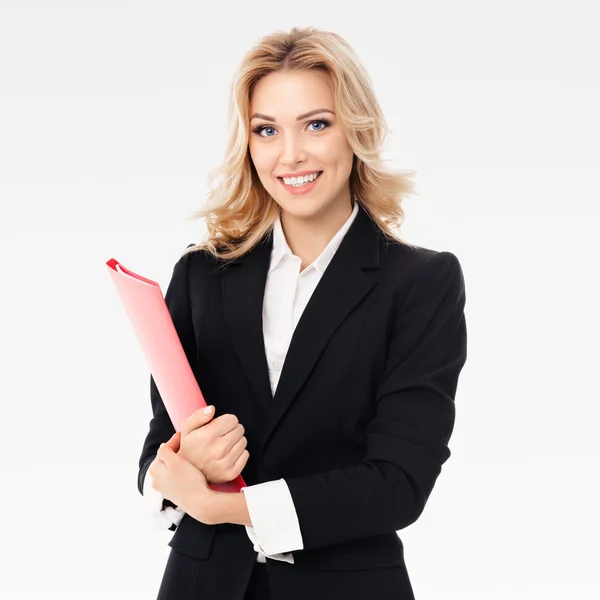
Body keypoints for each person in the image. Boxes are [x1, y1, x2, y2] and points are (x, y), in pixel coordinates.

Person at [137, 26, 468, 600]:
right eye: (267, 130)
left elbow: (399, 484)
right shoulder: (200, 275)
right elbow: (157, 449)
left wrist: (226, 507)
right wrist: (178, 461)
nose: (290, 154)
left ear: (356, 130)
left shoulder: (421, 284)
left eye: (317, 123)